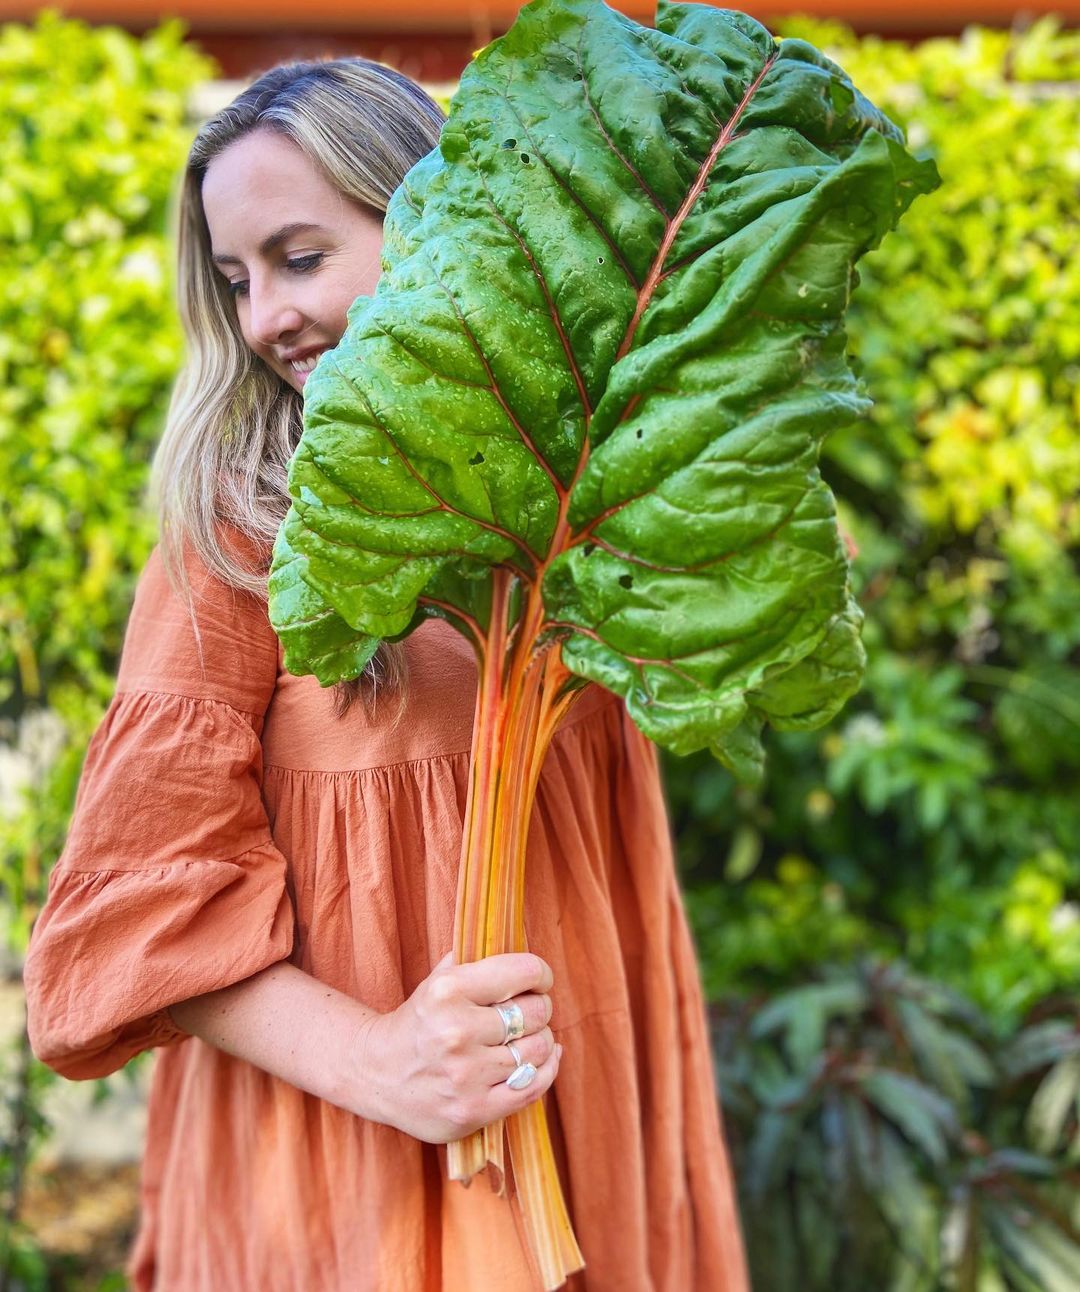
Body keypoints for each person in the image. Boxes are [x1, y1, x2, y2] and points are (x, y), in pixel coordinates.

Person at [23, 57, 751, 1292]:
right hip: (347, 1154)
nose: (261, 320)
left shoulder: (585, 485)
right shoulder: (243, 530)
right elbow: (126, 920)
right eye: (239, 279)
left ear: (438, 220)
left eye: (299, 260)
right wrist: (388, 1064)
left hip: (583, 1090)